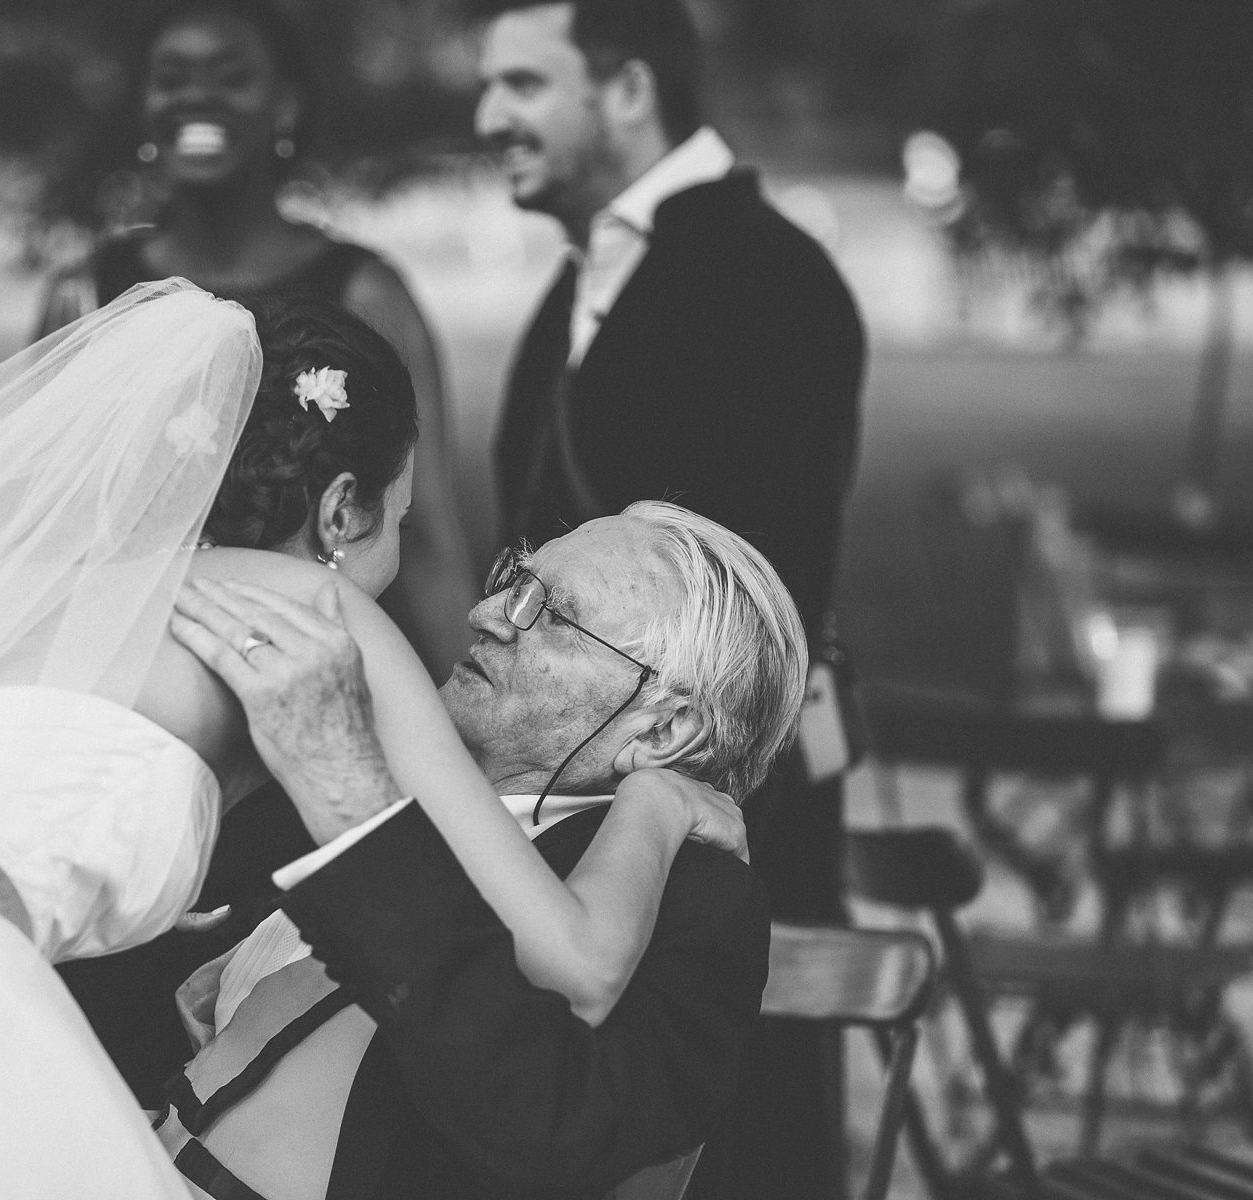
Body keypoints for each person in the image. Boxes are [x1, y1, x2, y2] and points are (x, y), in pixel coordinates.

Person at [0, 283, 741, 1197]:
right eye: (405, 527)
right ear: (338, 516)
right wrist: (661, 805)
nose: (474, 606)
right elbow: (582, 962)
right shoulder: (316, 613)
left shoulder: (39, 587)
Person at [474, 2, 867, 1193]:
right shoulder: (592, 271)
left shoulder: (769, 277)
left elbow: (746, 595)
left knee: (727, 1129)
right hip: (589, 772)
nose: (491, 117)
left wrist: (652, 800)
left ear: (630, 88)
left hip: (711, 788)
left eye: (526, 85)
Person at [153, 500, 809, 1200]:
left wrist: (653, 806)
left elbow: (549, 1128)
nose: (490, 612)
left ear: (663, 733)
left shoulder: (699, 898)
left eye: (553, 614)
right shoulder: (398, 764)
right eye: (515, 580)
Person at [35, 0, 478, 682]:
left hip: (324, 669)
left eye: (231, 75)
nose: (197, 96)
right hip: (134, 673)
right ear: (144, 105)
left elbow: (429, 538)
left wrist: (468, 737)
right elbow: (45, 525)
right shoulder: (86, 294)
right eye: (172, 75)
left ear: (287, 106)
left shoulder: (364, 292)